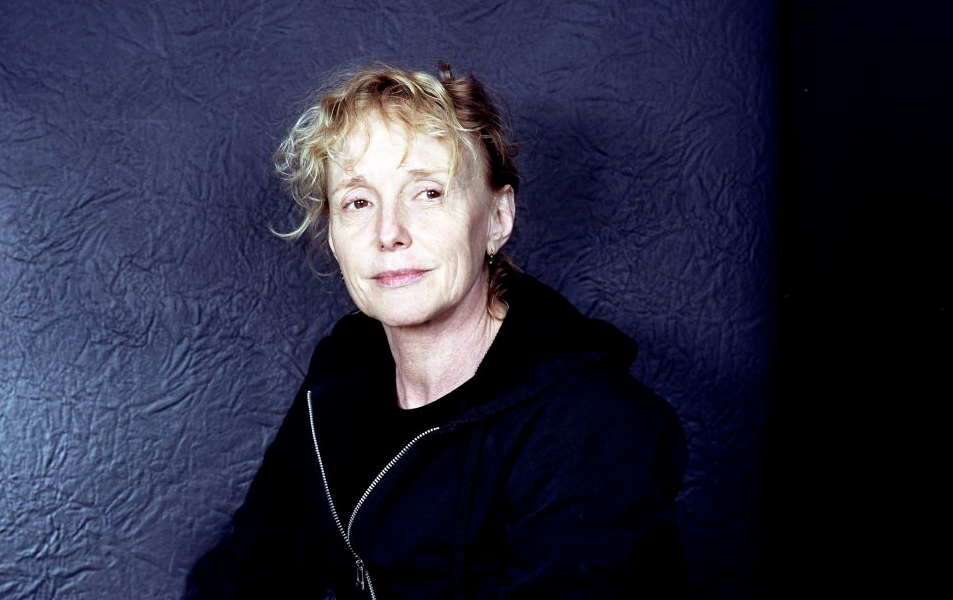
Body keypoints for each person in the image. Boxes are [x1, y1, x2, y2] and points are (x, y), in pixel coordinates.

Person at [185, 63, 687, 600]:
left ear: (497, 218)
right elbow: (245, 570)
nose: (388, 233)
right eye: (358, 201)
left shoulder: (596, 426)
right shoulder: (341, 374)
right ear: (332, 236)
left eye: (427, 192)